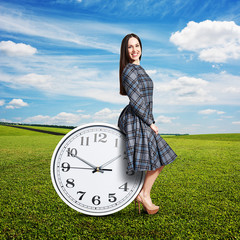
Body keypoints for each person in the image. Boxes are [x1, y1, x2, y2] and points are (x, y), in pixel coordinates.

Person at [118, 33, 177, 215]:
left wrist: (150, 119)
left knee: (159, 158)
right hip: (136, 119)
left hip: (143, 117)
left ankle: (143, 194)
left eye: (137, 45)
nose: (134, 50)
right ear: (125, 51)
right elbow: (136, 101)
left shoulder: (140, 69)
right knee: (158, 158)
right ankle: (145, 195)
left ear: (141, 48)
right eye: (130, 47)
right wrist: (150, 122)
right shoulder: (129, 70)